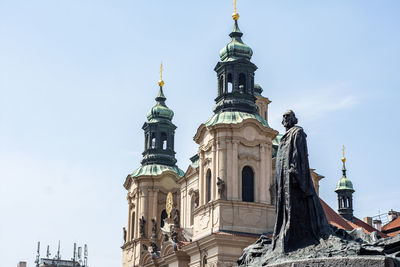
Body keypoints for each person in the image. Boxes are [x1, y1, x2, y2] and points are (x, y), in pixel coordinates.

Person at [272, 110, 331, 253]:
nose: (285, 119)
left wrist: (295, 172)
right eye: (284, 117)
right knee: (286, 210)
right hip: (283, 182)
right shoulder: (283, 138)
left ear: (293, 119)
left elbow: (299, 155)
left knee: (295, 209)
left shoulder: (297, 133)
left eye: (288, 117)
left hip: (293, 179)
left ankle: (295, 238)